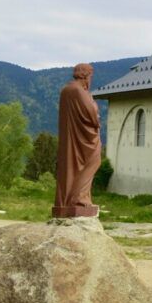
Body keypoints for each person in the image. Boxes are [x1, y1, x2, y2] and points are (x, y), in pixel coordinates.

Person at [52, 64, 101, 217]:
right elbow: (91, 113)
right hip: (84, 138)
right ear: (85, 75)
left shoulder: (66, 90)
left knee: (70, 167)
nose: (90, 80)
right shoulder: (79, 91)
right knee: (93, 161)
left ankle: (66, 201)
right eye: (90, 76)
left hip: (70, 136)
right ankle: (79, 199)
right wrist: (93, 105)